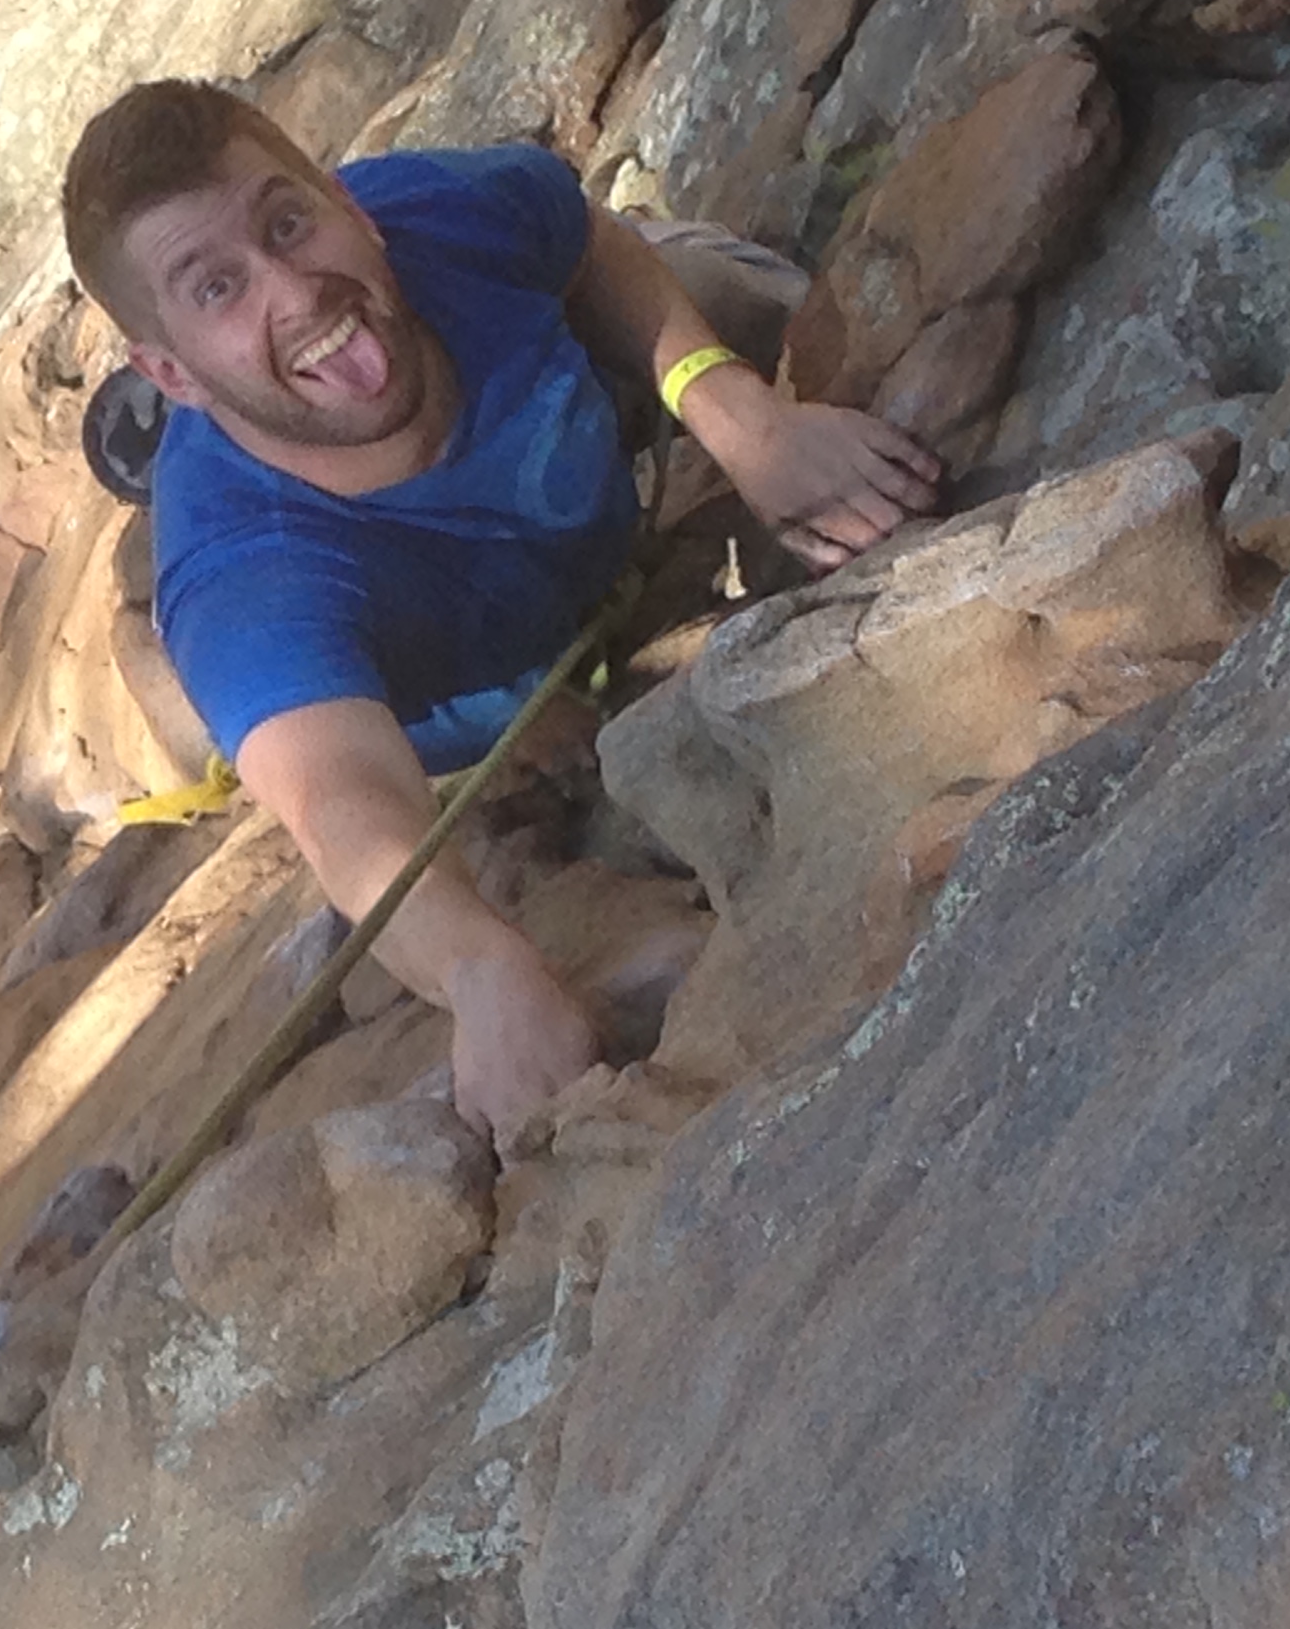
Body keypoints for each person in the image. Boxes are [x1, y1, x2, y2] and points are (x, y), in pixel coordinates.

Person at [59, 79, 944, 1140]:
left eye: (289, 223)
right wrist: (480, 971)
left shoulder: (448, 205)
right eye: (216, 288)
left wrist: (742, 418)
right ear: (169, 369)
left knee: (738, 291)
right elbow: (342, 807)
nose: (293, 289)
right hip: (463, 671)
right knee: (231, 709)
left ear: (350, 205)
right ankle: (150, 470)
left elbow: (593, 250)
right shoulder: (246, 588)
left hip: (590, 449)